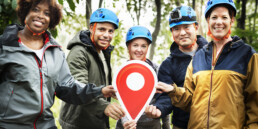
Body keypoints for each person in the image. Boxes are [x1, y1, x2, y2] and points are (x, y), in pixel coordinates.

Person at [0, 0, 116, 129]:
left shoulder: (55, 51)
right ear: (25, 12)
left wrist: (99, 91)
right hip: (10, 125)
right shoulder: (5, 46)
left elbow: (68, 88)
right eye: (36, 9)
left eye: (47, 13)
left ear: (52, 19)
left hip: (46, 124)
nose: (40, 15)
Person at [155, 0, 258, 128]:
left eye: (224, 17)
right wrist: (173, 90)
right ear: (208, 21)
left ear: (232, 21)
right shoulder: (198, 57)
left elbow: (255, 103)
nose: (218, 22)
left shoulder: (247, 54)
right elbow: (190, 101)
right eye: (214, 17)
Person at [59, 8, 125, 129]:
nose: (106, 35)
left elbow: (99, 83)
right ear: (91, 28)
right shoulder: (79, 52)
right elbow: (78, 88)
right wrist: (104, 106)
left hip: (96, 121)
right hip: (77, 123)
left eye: (110, 31)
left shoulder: (103, 52)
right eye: (102, 29)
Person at [145, 5, 208, 129]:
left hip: (214, 123)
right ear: (172, 32)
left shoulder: (213, 54)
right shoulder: (167, 65)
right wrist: (159, 110)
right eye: (176, 28)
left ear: (196, 27)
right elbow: (165, 97)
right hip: (182, 125)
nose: (182, 33)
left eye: (186, 27)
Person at [115, 26, 170, 129]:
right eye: (135, 45)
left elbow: (163, 100)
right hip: (127, 126)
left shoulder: (156, 70)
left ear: (147, 48)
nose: (139, 50)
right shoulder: (122, 72)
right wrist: (127, 122)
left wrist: (166, 127)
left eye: (143, 46)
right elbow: (122, 102)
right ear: (129, 47)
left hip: (152, 126)